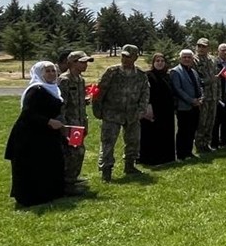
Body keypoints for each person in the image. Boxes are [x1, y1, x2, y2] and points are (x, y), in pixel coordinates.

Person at [5, 61, 67, 207]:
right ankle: (30, 198)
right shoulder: (36, 90)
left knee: (47, 163)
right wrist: (49, 121)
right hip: (29, 135)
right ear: (40, 74)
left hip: (45, 134)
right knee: (32, 165)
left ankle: (49, 194)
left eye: (53, 71)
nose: (52, 74)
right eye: (48, 71)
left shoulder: (53, 89)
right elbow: (27, 113)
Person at [93, 44, 151, 181]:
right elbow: (98, 91)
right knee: (108, 142)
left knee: (133, 141)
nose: (125, 59)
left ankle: (130, 165)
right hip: (112, 114)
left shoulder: (141, 75)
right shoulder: (111, 72)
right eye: (123, 56)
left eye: (128, 56)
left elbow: (145, 93)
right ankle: (106, 171)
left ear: (135, 57)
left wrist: (141, 110)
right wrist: (98, 110)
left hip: (132, 114)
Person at [58, 50, 93, 192]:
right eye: (82, 62)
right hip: (70, 124)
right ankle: (67, 183)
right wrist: (63, 125)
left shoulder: (80, 80)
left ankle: (73, 178)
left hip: (79, 122)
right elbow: (61, 104)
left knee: (79, 151)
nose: (85, 65)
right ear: (72, 63)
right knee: (72, 152)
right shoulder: (64, 80)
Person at [139, 52, 176, 166]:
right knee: (152, 135)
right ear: (153, 63)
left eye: (162, 61)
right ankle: (151, 159)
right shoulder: (148, 75)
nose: (160, 63)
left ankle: (166, 158)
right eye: (157, 61)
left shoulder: (167, 75)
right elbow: (144, 93)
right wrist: (148, 107)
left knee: (166, 133)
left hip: (167, 111)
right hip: (152, 110)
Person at [169, 49, 204, 160]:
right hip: (183, 107)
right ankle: (180, 153)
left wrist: (200, 98)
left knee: (192, 129)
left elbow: (199, 86)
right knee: (183, 130)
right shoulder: (175, 71)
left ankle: (188, 151)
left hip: (196, 106)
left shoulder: (193, 71)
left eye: (189, 57)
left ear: (192, 59)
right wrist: (191, 100)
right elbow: (178, 89)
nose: (187, 59)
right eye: (184, 57)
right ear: (180, 58)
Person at [193, 39, 219, 153]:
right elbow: (195, 80)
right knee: (201, 122)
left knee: (210, 121)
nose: (201, 49)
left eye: (204, 46)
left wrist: (218, 95)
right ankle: (199, 145)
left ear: (208, 48)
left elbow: (216, 79)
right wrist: (209, 80)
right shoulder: (194, 60)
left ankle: (207, 144)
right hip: (203, 96)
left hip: (213, 96)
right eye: (199, 46)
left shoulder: (212, 60)